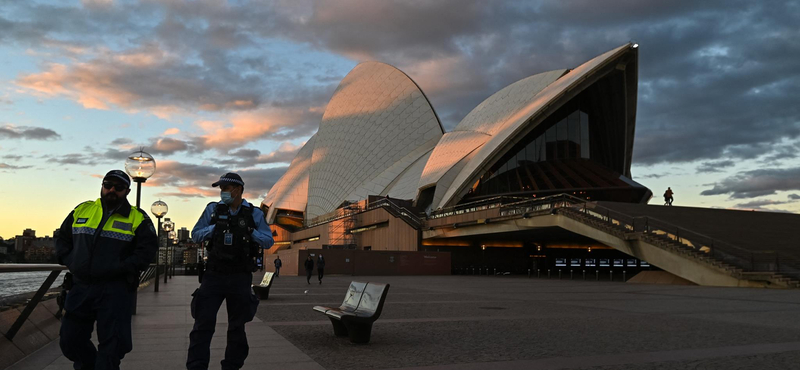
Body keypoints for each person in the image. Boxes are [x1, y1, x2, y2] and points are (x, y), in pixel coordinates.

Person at [55, 170, 158, 370]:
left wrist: (120, 268)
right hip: (81, 286)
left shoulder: (138, 218)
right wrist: (71, 261)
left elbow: (146, 251)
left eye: (118, 187)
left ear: (127, 191)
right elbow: (62, 238)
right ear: (102, 186)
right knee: (69, 341)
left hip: (115, 289)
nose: (112, 190)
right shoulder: (82, 210)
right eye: (108, 184)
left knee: (113, 347)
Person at [187, 172, 274, 370]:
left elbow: (268, 241)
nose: (222, 193)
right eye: (221, 189)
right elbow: (195, 234)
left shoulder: (254, 213)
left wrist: (250, 232)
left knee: (237, 327)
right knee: (202, 325)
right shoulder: (212, 210)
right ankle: (196, 366)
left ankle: (232, 366)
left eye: (226, 189)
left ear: (238, 190)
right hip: (214, 275)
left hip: (240, 276)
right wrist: (215, 229)